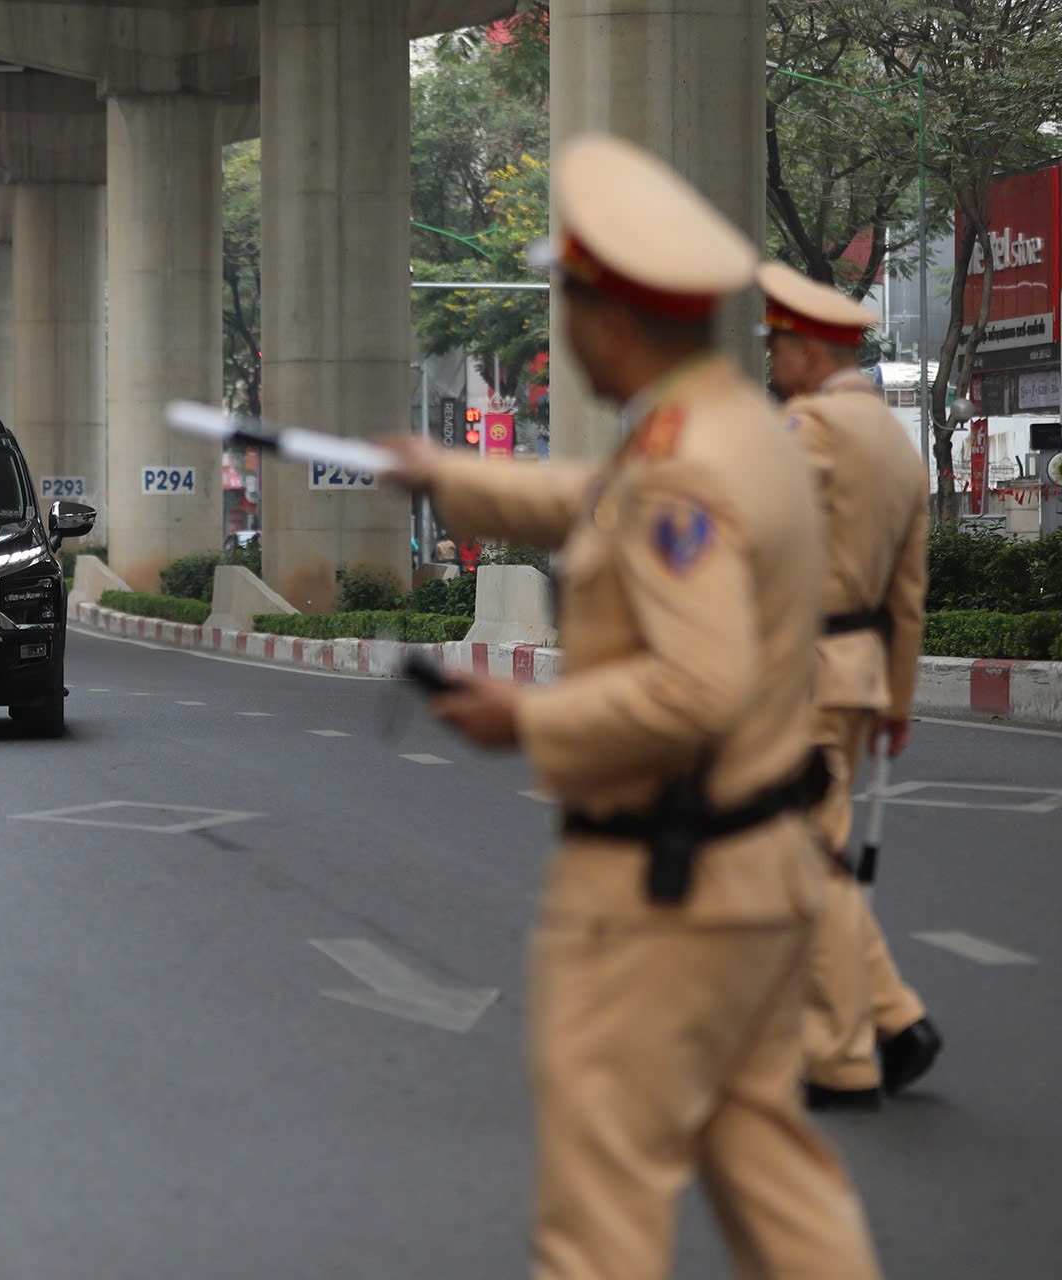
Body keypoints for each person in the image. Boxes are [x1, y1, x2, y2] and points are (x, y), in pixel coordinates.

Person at [377, 135, 880, 1279]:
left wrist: (529, 720)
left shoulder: (683, 465)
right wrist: (445, 474)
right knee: (773, 1175)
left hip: (665, 893)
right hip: (756, 872)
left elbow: (695, 684)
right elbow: (597, 501)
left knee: (599, 1219)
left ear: (608, 314)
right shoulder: (736, 432)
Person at [759, 260, 942, 1110]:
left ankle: (839, 1056)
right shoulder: (898, 449)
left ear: (808, 349)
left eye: (777, 344)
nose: (770, 360)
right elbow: (908, 594)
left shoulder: (810, 431)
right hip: (861, 674)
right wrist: (898, 702)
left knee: (809, 862)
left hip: (802, 672)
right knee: (818, 850)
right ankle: (898, 1021)